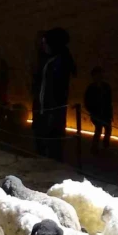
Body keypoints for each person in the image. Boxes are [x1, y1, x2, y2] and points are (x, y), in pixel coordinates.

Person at [32, 27, 77, 162]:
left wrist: (49, 112)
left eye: (45, 42)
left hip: (51, 111)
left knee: (52, 145)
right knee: (43, 143)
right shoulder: (50, 59)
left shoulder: (60, 61)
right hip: (44, 109)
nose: (43, 44)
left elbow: (54, 90)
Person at [84, 66, 113, 153]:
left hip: (105, 113)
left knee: (108, 129)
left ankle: (105, 146)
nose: (99, 76)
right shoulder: (91, 88)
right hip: (96, 113)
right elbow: (87, 101)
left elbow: (109, 101)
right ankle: (95, 147)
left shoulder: (106, 86)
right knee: (98, 130)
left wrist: (110, 113)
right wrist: (92, 111)